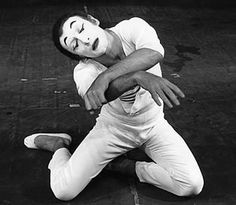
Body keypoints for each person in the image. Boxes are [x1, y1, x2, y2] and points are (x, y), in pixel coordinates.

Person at [24, 11, 204, 201]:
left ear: (93, 20)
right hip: (114, 131)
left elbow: (153, 53)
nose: (84, 40)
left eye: (81, 28)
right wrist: (137, 76)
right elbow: (101, 96)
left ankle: (124, 166)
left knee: (191, 185)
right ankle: (58, 146)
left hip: (154, 126)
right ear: (78, 56)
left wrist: (106, 76)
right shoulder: (84, 72)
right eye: (75, 44)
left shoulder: (132, 27)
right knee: (63, 191)